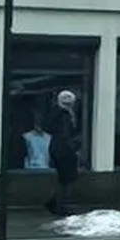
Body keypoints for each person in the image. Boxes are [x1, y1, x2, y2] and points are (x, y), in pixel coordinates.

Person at [45, 89, 83, 217]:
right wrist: (74, 147)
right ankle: (59, 206)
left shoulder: (55, 113)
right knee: (67, 178)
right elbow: (66, 134)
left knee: (64, 177)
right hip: (64, 150)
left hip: (56, 147)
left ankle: (54, 203)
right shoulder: (65, 115)